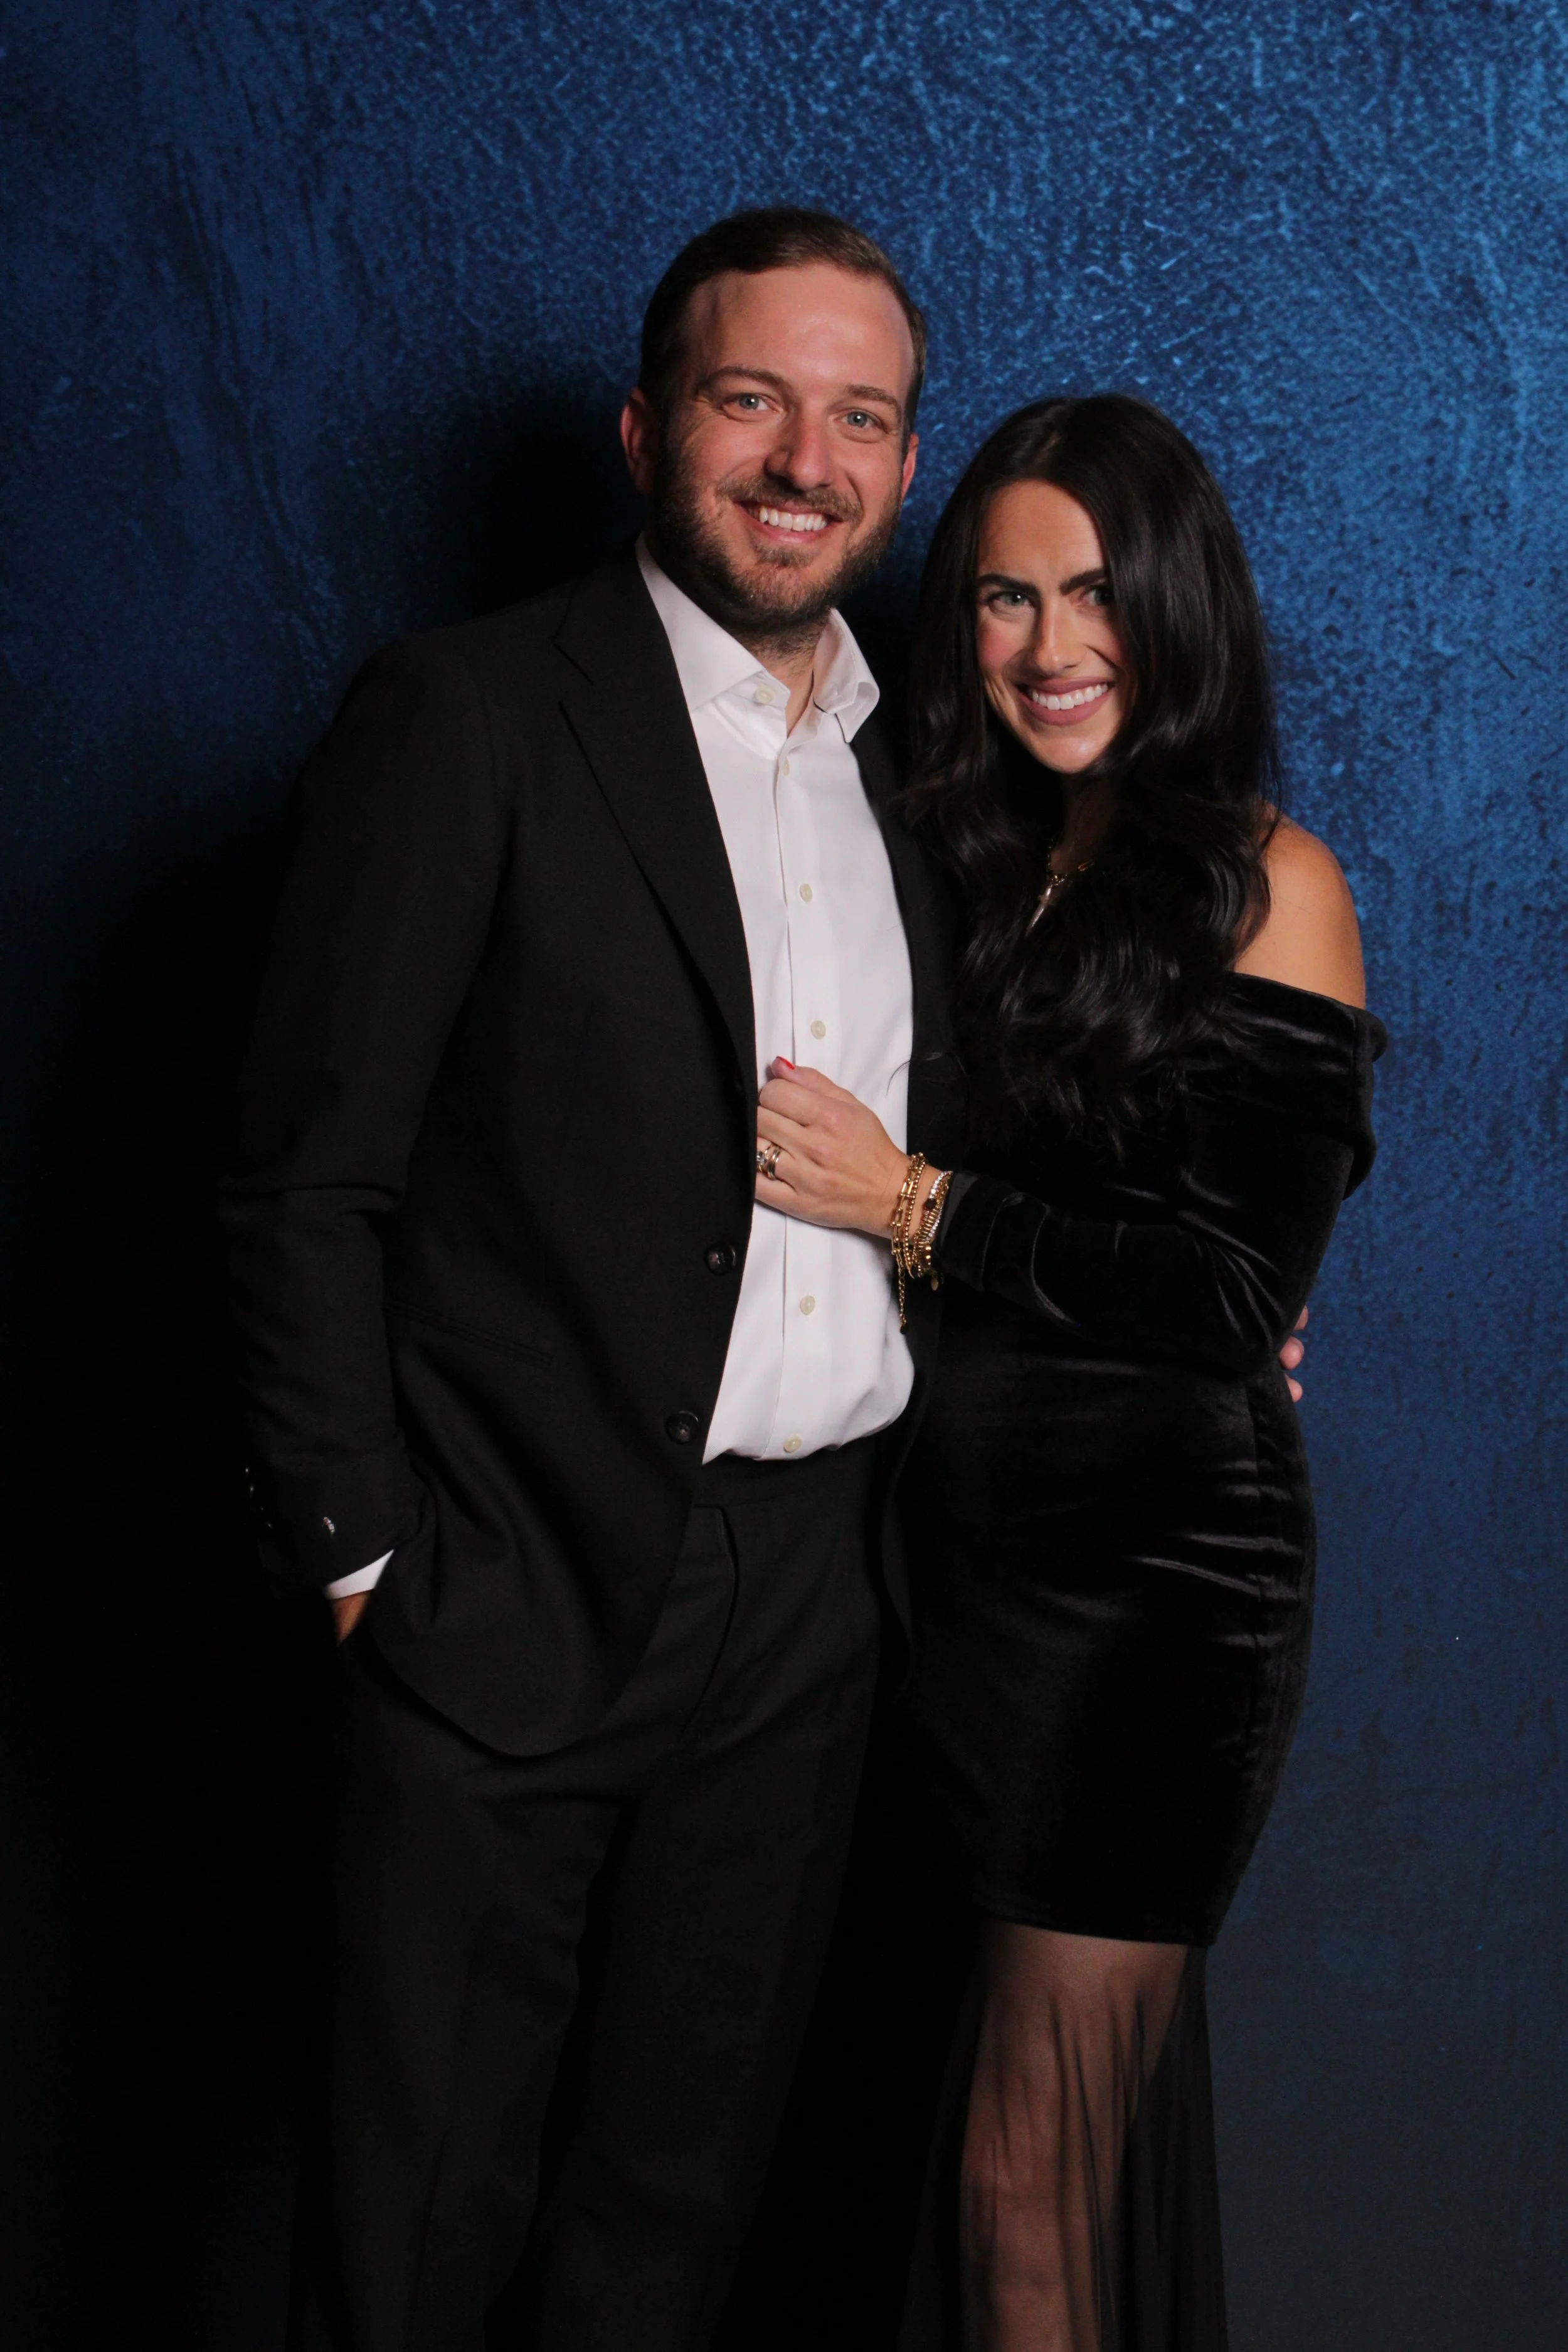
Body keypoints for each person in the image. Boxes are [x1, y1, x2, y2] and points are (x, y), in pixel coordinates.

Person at [220, 207, 968, 2352]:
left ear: (903, 464)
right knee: (413, 2235)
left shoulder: (919, 776)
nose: (804, 460)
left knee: (671, 2220)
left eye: (857, 417)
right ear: (648, 429)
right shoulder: (466, 714)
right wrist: (364, 1561)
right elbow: (301, 1178)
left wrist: (1198, 1306)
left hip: (809, 1605)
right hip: (505, 1570)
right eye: (751, 400)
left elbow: (1005, 1125)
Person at [750, 393, 1385, 2349]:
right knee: (905, 2145)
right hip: (936, 1581)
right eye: (1004, 599)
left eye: (1094, 593)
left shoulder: (1271, 884)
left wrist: (909, 1203)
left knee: (1023, 2184)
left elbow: (1225, 1291)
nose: (1048, 646)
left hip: (1143, 1601)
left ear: (1178, 605)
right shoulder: (963, 862)